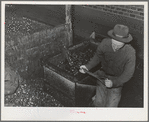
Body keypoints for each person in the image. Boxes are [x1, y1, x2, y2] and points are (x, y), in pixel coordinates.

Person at [79, 24, 136, 107]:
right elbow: (98, 57)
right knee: (98, 103)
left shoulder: (130, 52)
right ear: (112, 38)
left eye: (119, 45)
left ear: (125, 42)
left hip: (117, 80)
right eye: (114, 43)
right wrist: (87, 66)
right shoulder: (105, 43)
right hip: (102, 76)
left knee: (111, 106)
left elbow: (128, 74)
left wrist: (114, 83)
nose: (115, 47)